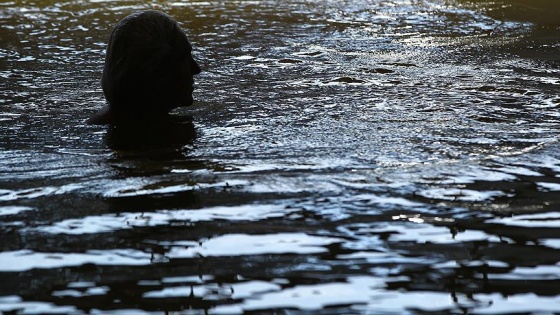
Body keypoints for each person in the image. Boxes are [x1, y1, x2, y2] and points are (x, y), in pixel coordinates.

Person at [87, 10, 201, 125]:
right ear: (155, 69)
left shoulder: (111, 124)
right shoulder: (170, 137)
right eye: (183, 57)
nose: (196, 69)